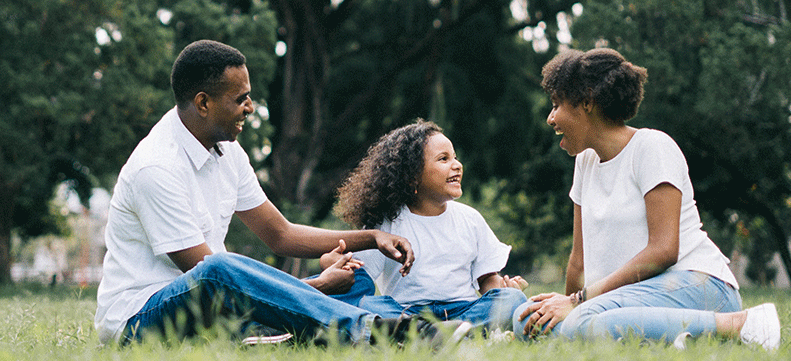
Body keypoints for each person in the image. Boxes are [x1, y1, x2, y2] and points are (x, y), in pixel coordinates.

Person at [94, 39, 466, 347]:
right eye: (240, 99)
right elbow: (209, 276)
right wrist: (315, 285)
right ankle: (372, 330)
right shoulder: (156, 167)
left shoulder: (228, 152)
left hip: (212, 308)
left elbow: (281, 234)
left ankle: (295, 336)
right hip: (139, 320)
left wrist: (370, 238)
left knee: (354, 282)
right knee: (218, 266)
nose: (250, 108)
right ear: (204, 103)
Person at [512, 48, 781, 350]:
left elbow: (664, 250)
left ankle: (740, 324)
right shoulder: (585, 163)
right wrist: (562, 307)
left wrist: (578, 303)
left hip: (696, 284)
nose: (550, 118)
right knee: (526, 321)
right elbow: (579, 261)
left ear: (587, 101)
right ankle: (669, 337)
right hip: (627, 297)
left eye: (556, 104)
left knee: (584, 322)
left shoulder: (652, 147)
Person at [325, 120, 528, 334]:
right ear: (412, 176)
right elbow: (360, 276)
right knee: (370, 306)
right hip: (407, 313)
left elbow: (487, 279)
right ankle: (439, 333)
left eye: (455, 157)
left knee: (513, 299)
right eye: (443, 159)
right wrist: (335, 262)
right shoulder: (387, 223)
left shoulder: (471, 219)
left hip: (463, 309)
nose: (457, 165)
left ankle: (446, 332)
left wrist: (501, 291)